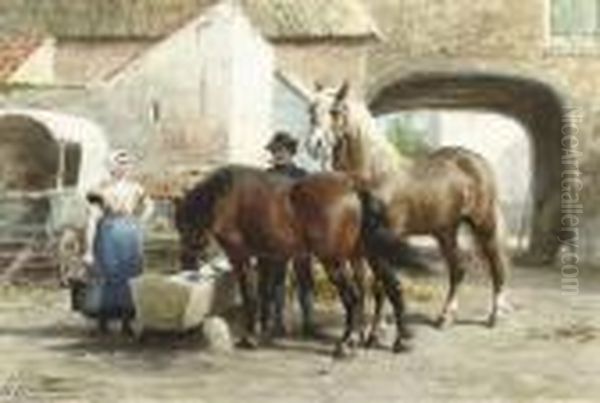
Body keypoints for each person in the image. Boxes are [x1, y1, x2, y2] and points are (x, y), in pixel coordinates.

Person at [83, 149, 154, 336]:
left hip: (130, 234)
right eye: (119, 163)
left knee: (129, 277)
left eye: (126, 163)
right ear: (111, 167)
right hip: (108, 234)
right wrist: (88, 250)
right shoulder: (100, 189)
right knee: (107, 275)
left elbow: (149, 205)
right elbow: (92, 219)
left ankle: (126, 322)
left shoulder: (136, 188)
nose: (123, 167)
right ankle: (102, 321)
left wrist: (141, 220)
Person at [259, 131, 317, 338]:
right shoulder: (265, 177)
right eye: (274, 151)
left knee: (304, 278)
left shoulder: (303, 176)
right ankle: (277, 324)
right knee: (276, 279)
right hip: (275, 235)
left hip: (299, 235)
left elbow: (312, 207)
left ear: (291, 152)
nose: (277, 154)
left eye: (281, 150)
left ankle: (309, 323)